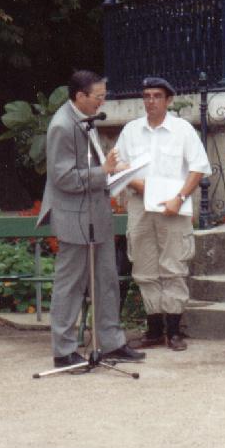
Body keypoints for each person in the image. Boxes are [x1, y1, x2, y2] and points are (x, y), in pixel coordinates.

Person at [37, 70, 145, 367]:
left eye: (103, 95)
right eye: (98, 97)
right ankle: (63, 350)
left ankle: (111, 343)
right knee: (70, 285)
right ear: (80, 96)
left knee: (106, 280)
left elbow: (90, 163)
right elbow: (62, 178)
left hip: (96, 213)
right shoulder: (62, 125)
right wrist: (104, 172)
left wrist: (112, 167)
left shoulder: (85, 118)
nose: (102, 101)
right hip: (75, 218)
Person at [114, 77, 211, 351]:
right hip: (140, 203)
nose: (151, 101)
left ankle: (174, 329)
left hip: (173, 205)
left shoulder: (182, 130)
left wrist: (180, 197)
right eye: (146, 96)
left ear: (168, 100)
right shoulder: (131, 130)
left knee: (174, 265)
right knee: (144, 266)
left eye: (157, 96)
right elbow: (117, 163)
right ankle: (154, 328)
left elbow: (198, 167)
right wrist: (136, 184)